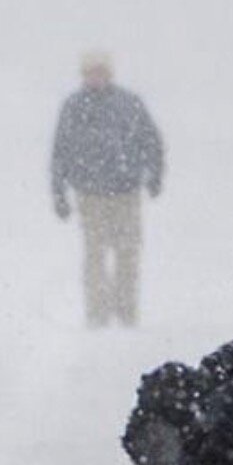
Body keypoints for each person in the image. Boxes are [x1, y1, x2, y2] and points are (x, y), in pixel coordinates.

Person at [50, 53, 164, 326]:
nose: (96, 77)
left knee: (127, 254)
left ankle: (126, 313)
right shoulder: (73, 107)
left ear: (109, 73)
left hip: (126, 193)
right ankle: (97, 315)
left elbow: (151, 140)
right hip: (90, 195)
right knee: (95, 255)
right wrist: (59, 193)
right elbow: (60, 152)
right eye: (91, 72)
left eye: (100, 71)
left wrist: (155, 175)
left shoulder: (129, 104)